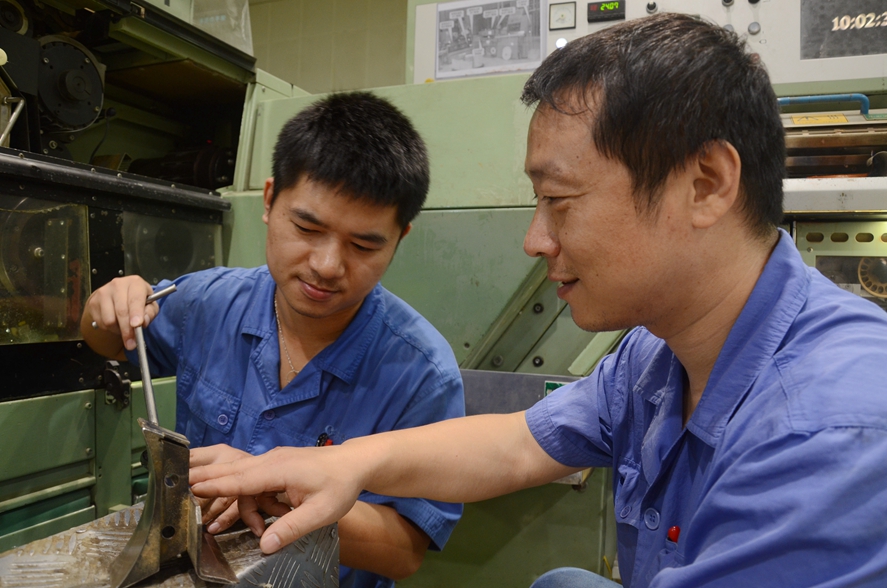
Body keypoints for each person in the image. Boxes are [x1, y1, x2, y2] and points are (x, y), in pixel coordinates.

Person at [189, 14, 887, 588]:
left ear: (704, 184)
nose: (534, 238)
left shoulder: (827, 432)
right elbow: (517, 444)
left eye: (558, 202)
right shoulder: (655, 355)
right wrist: (344, 465)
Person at [80, 92, 465, 587]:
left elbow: (405, 549)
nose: (327, 265)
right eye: (307, 227)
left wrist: (273, 489)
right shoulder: (207, 302)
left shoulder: (420, 374)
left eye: (363, 244)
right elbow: (107, 342)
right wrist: (102, 309)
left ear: (399, 239)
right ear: (269, 201)